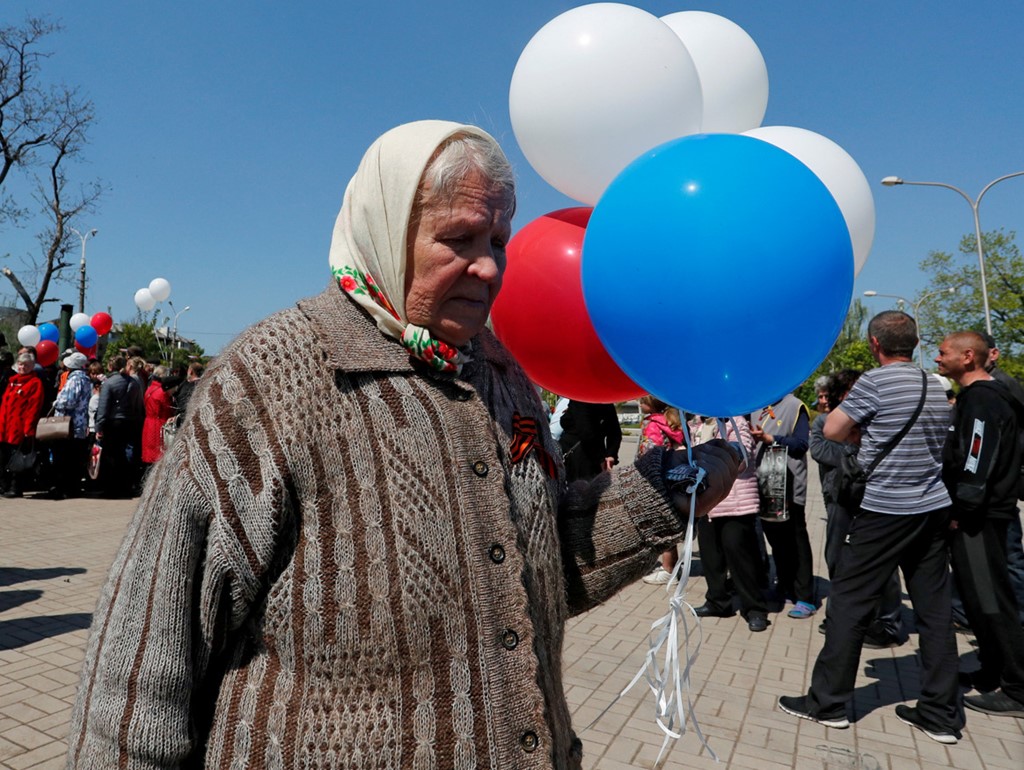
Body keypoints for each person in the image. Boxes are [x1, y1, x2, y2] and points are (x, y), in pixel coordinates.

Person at [67, 120, 741, 769]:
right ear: (386, 231)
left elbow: (531, 565)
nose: (488, 268)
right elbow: (148, 651)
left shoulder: (503, 375)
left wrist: (670, 487)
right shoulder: (275, 375)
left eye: (499, 241)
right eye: (460, 238)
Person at [779, 310, 963, 744]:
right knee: (935, 611)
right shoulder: (935, 387)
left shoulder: (875, 383)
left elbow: (835, 429)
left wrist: (867, 432)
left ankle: (828, 704)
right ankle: (939, 713)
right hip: (931, 508)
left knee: (849, 603)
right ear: (915, 345)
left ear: (875, 345)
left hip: (884, 511)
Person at [936, 331, 1024, 717]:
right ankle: (993, 670)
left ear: (968, 356)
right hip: (981, 514)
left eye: (943, 353)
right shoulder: (982, 397)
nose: (938, 359)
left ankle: (1018, 688)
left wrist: (962, 510)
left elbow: (976, 459)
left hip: (981, 518)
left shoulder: (983, 399)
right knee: (976, 599)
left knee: (991, 600)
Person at [810, 369, 905, 647]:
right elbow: (821, 451)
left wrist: (852, 448)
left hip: (877, 499)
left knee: (883, 563)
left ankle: (888, 622)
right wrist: (858, 451)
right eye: (851, 391)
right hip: (840, 498)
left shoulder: (880, 421)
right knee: (837, 558)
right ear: (842, 395)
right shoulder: (826, 421)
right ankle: (839, 616)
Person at [692, 415, 768, 631]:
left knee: (740, 558)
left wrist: (712, 457)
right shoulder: (698, 423)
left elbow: (743, 457)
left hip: (734, 502)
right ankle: (718, 602)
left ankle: (755, 608)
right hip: (706, 501)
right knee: (710, 556)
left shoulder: (735, 421)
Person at [750, 393, 816, 619]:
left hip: (788, 486)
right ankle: (784, 586)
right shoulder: (756, 405)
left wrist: (771, 438)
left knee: (797, 540)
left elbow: (801, 444)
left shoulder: (795, 406)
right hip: (763, 485)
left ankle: (806, 596)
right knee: (776, 540)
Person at [980, 333, 1024, 626]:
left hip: (999, 488)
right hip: (994, 487)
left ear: (992, 354)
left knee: (1009, 557)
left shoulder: (1000, 388)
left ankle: (1017, 616)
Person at [638, 396, 685, 585]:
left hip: (655, 479)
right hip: (670, 477)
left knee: (661, 523)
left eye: (642, 402)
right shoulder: (669, 421)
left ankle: (668, 569)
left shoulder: (652, 424)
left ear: (650, 404)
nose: (639, 404)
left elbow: (649, 453)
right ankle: (672, 564)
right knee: (667, 520)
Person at [94, 355, 143, 498]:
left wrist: (99, 427)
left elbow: (103, 408)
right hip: (130, 421)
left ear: (110, 367)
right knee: (125, 455)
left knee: (111, 455)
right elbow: (137, 404)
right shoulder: (134, 383)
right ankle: (125, 486)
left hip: (113, 422)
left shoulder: (109, 383)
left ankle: (111, 488)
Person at [0, 352, 44, 498]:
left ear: (32, 366)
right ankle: (4, 485)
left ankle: (16, 487)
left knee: (17, 459)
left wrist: (28, 429)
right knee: (4, 457)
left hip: (19, 429)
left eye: (26, 365)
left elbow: (33, 408)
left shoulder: (35, 383)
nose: (22, 367)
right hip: (5, 427)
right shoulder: (12, 381)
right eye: (20, 364)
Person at [50, 351, 93, 499]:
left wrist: (56, 402)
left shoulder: (75, 379)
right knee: (74, 458)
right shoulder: (86, 379)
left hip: (69, 424)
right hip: (79, 424)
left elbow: (69, 400)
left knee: (64, 457)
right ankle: (72, 487)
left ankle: (63, 488)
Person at [557, 399, 622, 482]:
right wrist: (610, 454)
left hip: (579, 458)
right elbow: (615, 432)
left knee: (577, 490)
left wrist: (601, 459)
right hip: (592, 457)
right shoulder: (605, 401)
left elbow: (587, 432)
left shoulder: (579, 399)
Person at [141, 364, 176, 473]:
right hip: (159, 423)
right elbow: (167, 410)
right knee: (158, 455)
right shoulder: (162, 392)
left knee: (149, 455)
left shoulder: (149, 388)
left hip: (148, 423)